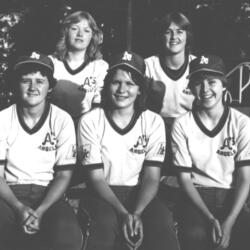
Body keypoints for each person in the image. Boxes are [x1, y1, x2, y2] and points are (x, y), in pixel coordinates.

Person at [77, 51, 179, 250]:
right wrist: (124, 214)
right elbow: (96, 178)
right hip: (102, 194)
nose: (122, 89)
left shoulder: (152, 121)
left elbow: (151, 176)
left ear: (140, 89)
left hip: (141, 194)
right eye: (116, 82)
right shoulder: (91, 120)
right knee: (104, 229)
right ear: (107, 85)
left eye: (130, 83)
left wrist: (137, 213)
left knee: (163, 228)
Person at [0, 52, 82, 250]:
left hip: (49, 194)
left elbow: (63, 175)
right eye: (25, 80)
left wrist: (41, 211)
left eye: (40, 81)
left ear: (50, 85)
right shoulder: (3, 119)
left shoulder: (62, 119)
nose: (33, 87)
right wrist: (19, 208)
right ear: (16, 84)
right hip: (10, 194)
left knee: (67, 235)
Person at [172, 54, 250, 250]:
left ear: (224, 85)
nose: (205, 89)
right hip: (197, 196)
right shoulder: (182, 123)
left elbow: (245, 179)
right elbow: (184, 179)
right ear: (191, 88)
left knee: (244, 235)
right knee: (196, 235)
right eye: (198, 83)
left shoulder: (241, 123)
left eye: (212, 82)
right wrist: (210, 218)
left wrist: (230, 222)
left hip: (232, 195)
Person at [50, 10, 108, 124]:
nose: (80, 34)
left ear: (92, 36)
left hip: (85, 127)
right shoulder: (51, 62)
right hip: (53, 125)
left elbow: (99, 109)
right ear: (66, 32)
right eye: (74, 29)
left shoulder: (100, 67)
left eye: (86, 31)